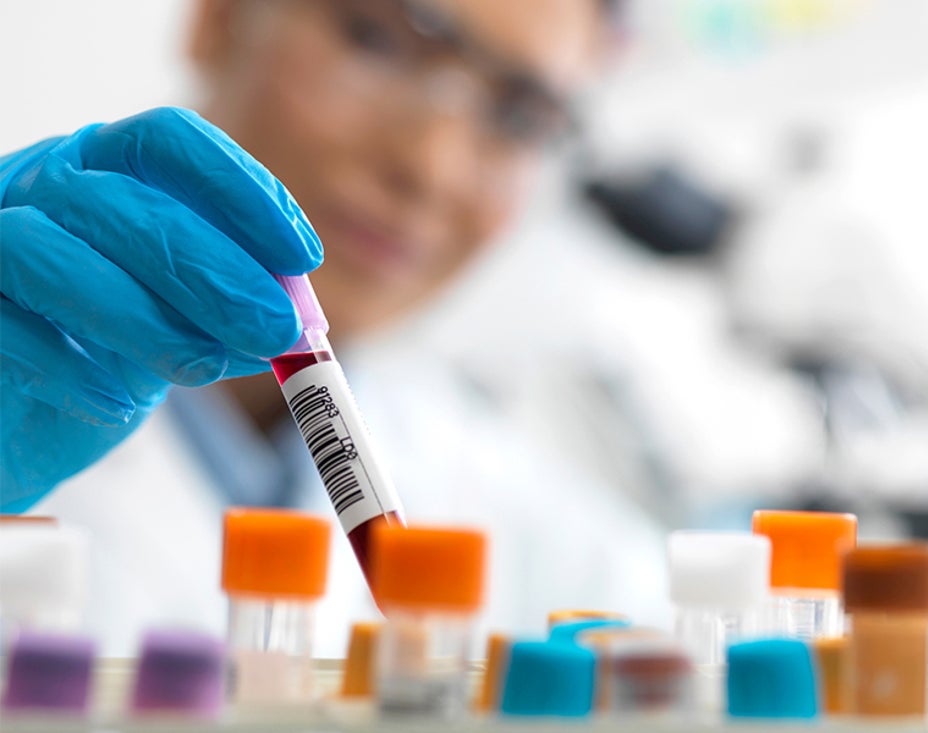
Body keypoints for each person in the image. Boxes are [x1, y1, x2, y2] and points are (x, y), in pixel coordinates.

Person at [1, 0, 670, 654]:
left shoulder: (568, 560)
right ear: (219, 17)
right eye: (375, 39)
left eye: (520, 117)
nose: (429, 166)